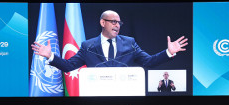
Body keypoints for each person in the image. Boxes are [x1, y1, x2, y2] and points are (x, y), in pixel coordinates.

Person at [32, 10, 188, 71]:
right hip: (96, 99)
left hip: (124, 98)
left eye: (119, 22)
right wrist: (50, 56)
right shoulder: (88, 46)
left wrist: (168, 52)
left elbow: (149, 62)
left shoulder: (130, 43)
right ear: (102, 23)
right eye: (113, 21)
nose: (117, 25)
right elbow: (69, 66)